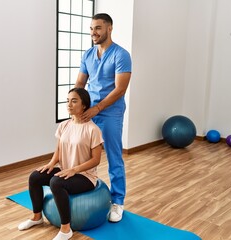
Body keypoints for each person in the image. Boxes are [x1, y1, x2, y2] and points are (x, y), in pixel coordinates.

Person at [18, 88, 104, 240]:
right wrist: (51, 164)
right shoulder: (64, 125)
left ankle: (66, 229)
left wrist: (74, 169)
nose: (69, 104)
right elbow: (58, 149)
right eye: (67, 100)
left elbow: (96, 160)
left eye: (74, 101)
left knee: (56, 182)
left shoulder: (93, 130)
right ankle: (37, 217)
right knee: (35, 177)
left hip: (85, 176)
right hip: (66, 170)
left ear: (84, 105)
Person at [74, 13, 132, 222]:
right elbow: (80, 83)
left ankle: (118, 202)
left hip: (109, 112)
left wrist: (97, 108)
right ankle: (85, 189)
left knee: (114, 156)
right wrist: (76, 105)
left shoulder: (121, 55)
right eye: (91, 29)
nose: (93, 33)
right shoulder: (88, 54)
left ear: (109, 28)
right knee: (83, 154)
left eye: (98, 28)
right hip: (89, 110)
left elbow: (120, 89)